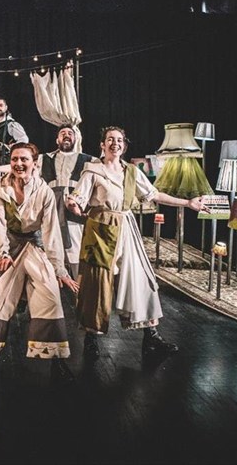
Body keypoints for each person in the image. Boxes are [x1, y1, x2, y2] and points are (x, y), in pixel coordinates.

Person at [65, 126, 209, 360]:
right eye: (110, 139)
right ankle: (91, 337)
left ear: (124, 145)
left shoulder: (131, 171)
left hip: (126, 228)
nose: (115, 143)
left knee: (141, 280)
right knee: (96, 284)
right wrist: (74, 205)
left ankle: (151, 336)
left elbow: (155, 195)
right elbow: (77, 198)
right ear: (102, 145)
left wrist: (187, 203)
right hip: (101, 230)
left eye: (119, 140)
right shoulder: (92, 170)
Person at [0, 142, 79, 383]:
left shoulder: (44, 192)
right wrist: (2, 253)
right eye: (15, 159)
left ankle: (56, 360)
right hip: (7, 246)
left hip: (34, 246)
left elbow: (51, 232)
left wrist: (59, 269)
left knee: (50, 295)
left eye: (24, 159)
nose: (18, 164)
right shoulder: (0, 188)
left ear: (34, 163)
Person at [38, 124, 96, 279]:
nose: (66, 135)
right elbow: (23, 167)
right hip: (50, 205)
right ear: (57, 139)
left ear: (76, 138)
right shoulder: (44, 158)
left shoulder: (89, 160)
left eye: (70, 133)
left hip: (74, 207)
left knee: (74, 246)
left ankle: (78, 285)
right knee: (50, 243)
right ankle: (52, 282)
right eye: (62, 133)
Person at [0, 97, 29, 198]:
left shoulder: (11, 124)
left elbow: (24, 140)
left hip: (5, 165)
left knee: (7, 195)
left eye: (1, 105)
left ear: (6, 107)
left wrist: (13, 147)